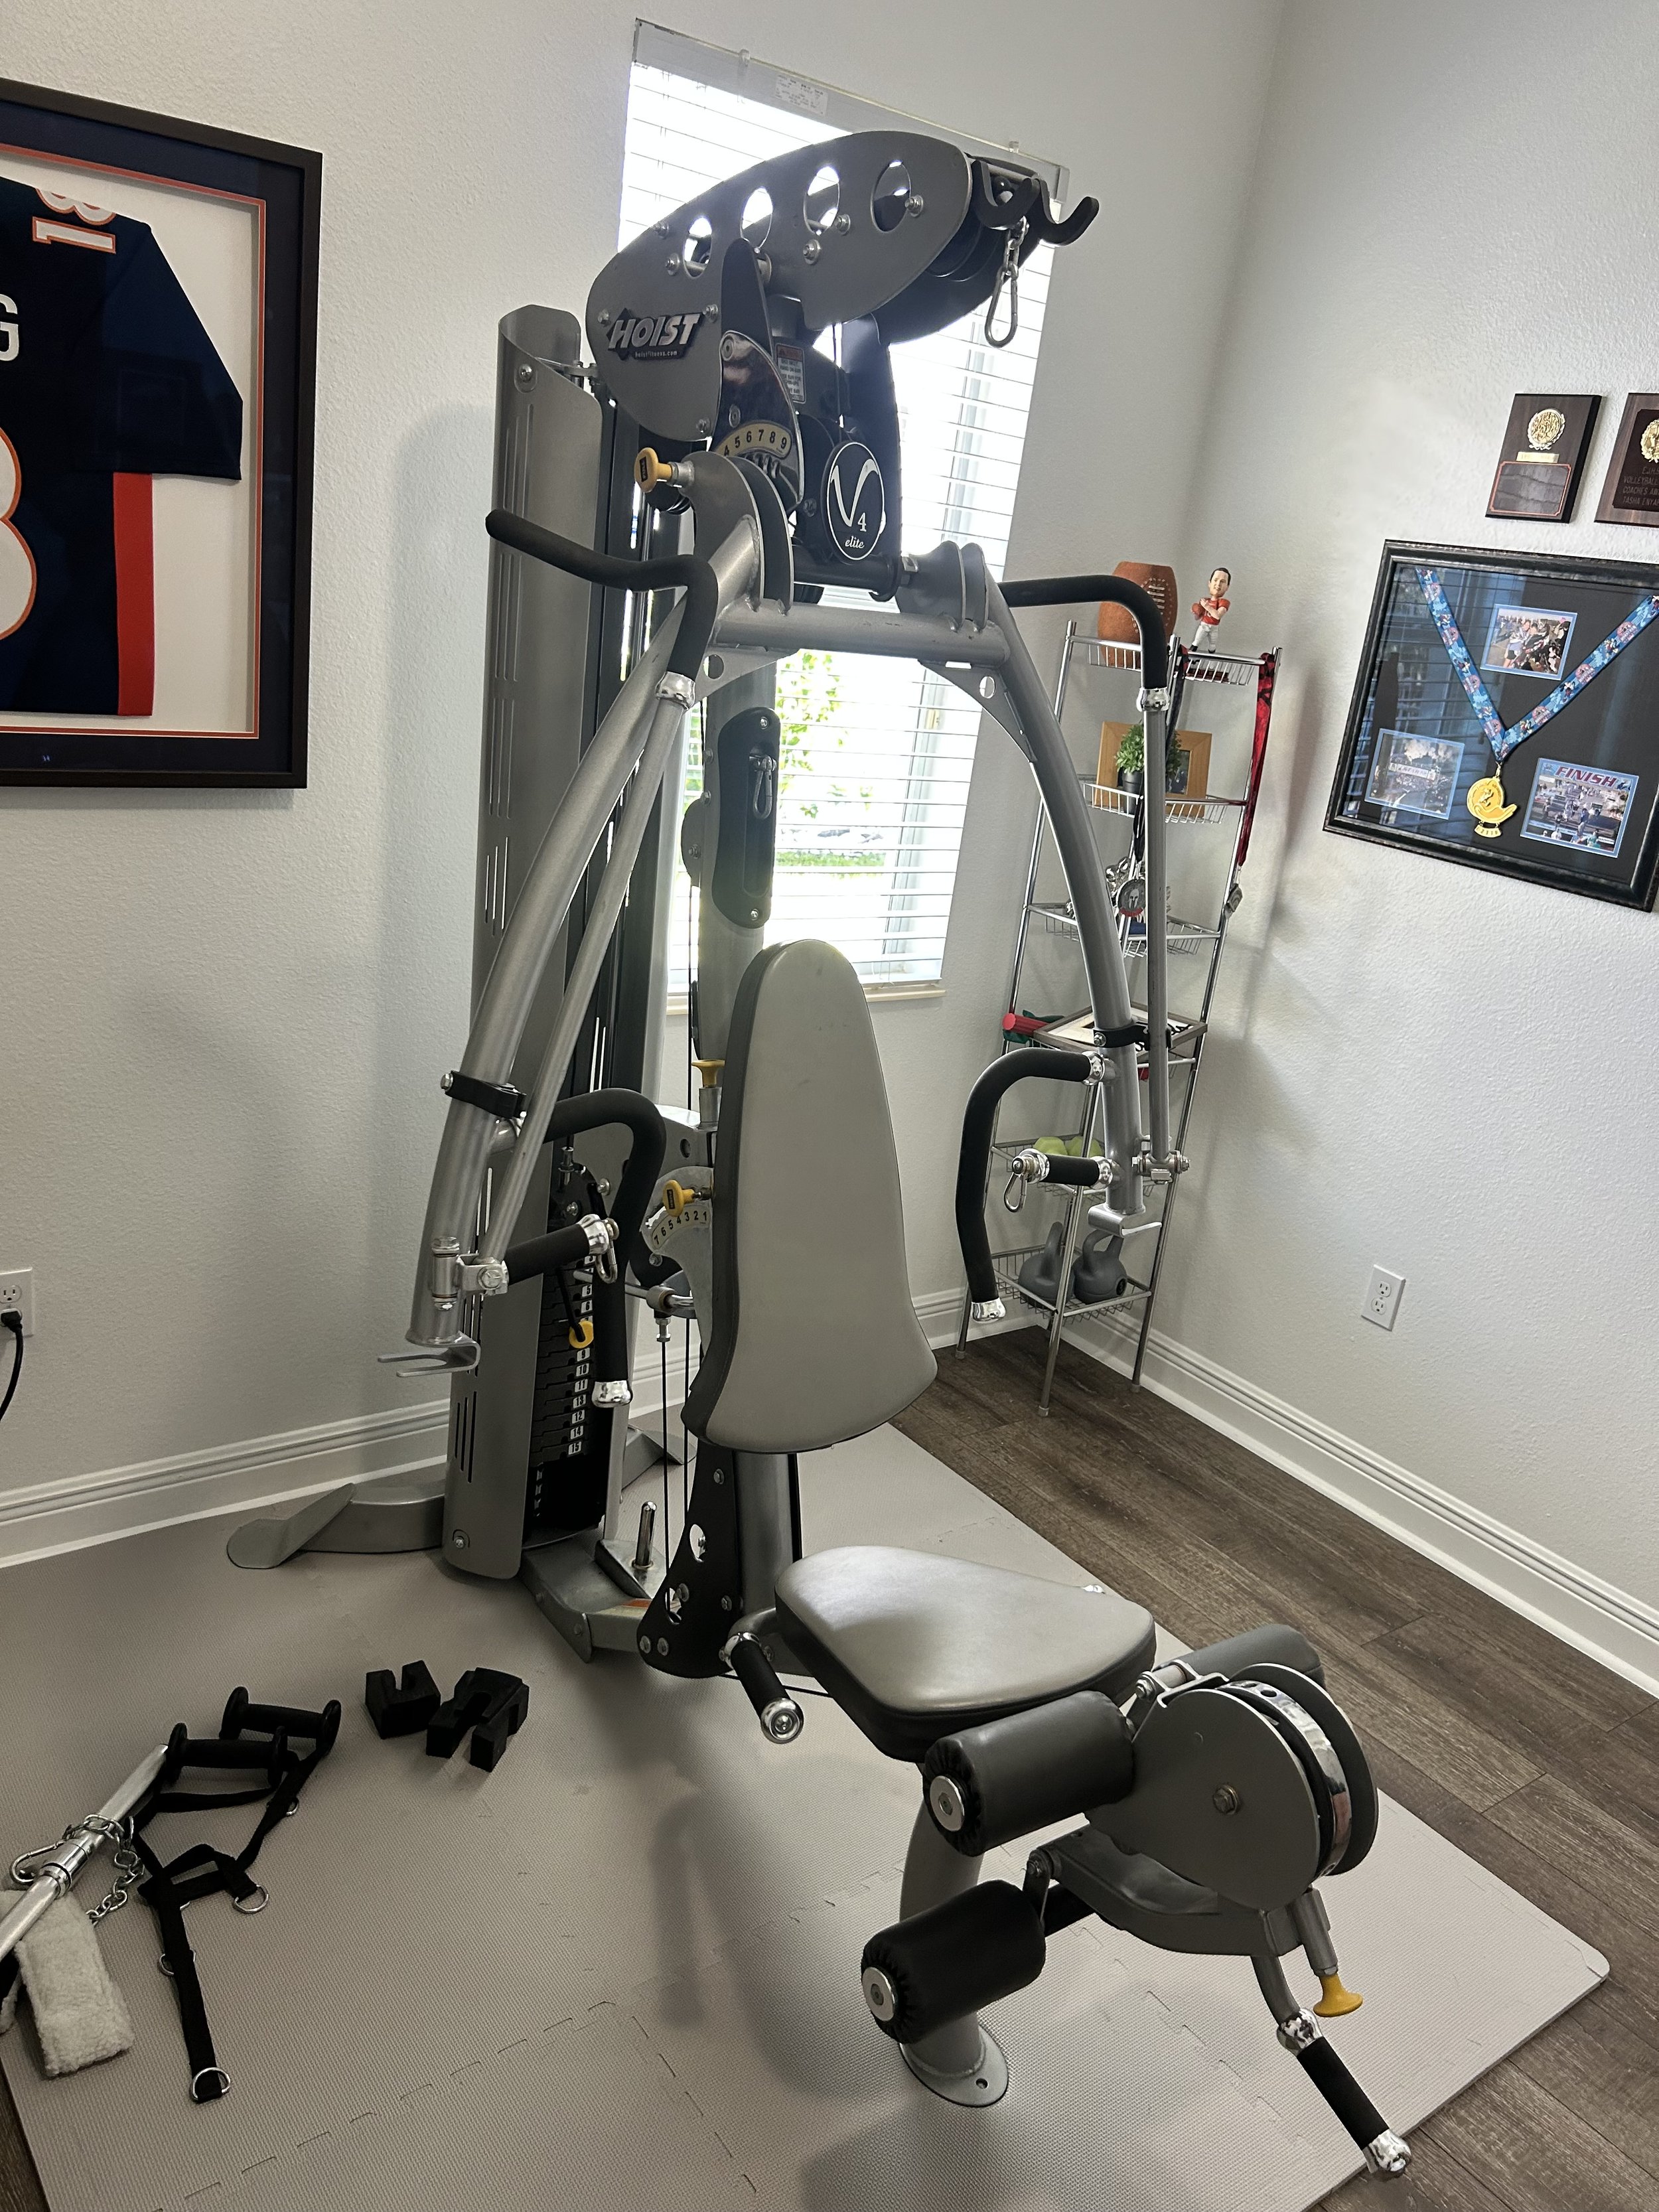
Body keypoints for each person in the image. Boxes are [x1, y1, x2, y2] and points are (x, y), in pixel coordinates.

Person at [1191, 566, 1231, 646]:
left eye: (1223, 582)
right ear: (1210, 583)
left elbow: (1217, 616)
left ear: (1227, 587)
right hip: (1204, 625)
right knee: (1196, 642)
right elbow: (1197, 618)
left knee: (1212, 645)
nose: (1218, 584)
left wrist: (1207, 607)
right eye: (1216, 580)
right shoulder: (1205, 600)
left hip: (1214, 627)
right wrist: (1196, 611)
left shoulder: (1223, 602)